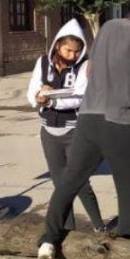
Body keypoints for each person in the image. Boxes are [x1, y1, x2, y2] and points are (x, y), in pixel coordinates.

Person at [37, 0, 130, 259]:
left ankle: (47, 243)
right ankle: (126, 252)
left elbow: (90, 71)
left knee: (69, 182)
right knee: (128, 188)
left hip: (88, 118)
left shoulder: (108, 27)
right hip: (119, 122)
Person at [26, 19, 106, 233]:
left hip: (74, 131)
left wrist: (52, 101)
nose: (72, 55)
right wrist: (38, 96)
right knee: (60, 184)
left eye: (76, 51)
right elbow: (32, 90)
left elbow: (79, 97)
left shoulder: (84, 66)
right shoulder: (43, 63)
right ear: (57, 45)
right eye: (68, 50)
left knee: (80, 182)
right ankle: (69, 229)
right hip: (49, 132)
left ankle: (99, 226)